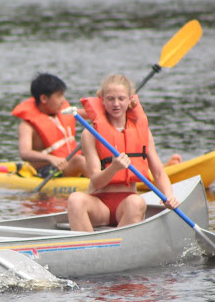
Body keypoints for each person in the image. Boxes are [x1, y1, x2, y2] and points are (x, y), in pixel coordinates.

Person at [67, 74, 180, 232]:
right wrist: (114, 168)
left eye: (121, 98)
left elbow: (159, 173)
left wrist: (169, 196)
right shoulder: (90, 134)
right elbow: (96, 181)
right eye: (110, 99)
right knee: (75, 199)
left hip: (127, 205)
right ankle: (87, 245)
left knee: (136, 202)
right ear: (102, 100)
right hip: (99, 204)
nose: (116, 104)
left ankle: (120, 244)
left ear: (130, 99)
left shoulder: (143, 132)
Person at [11, 72, 88, 178]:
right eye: (59, 96)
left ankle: (102, 177)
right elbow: (25, 153)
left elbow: (90, 114)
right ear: (44, 99)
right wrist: (51, 159)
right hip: (49, 169)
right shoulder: (27, 126)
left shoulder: (64, 112)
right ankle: (102, 183)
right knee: (79, 161)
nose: (63, 100)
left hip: (70, 164)